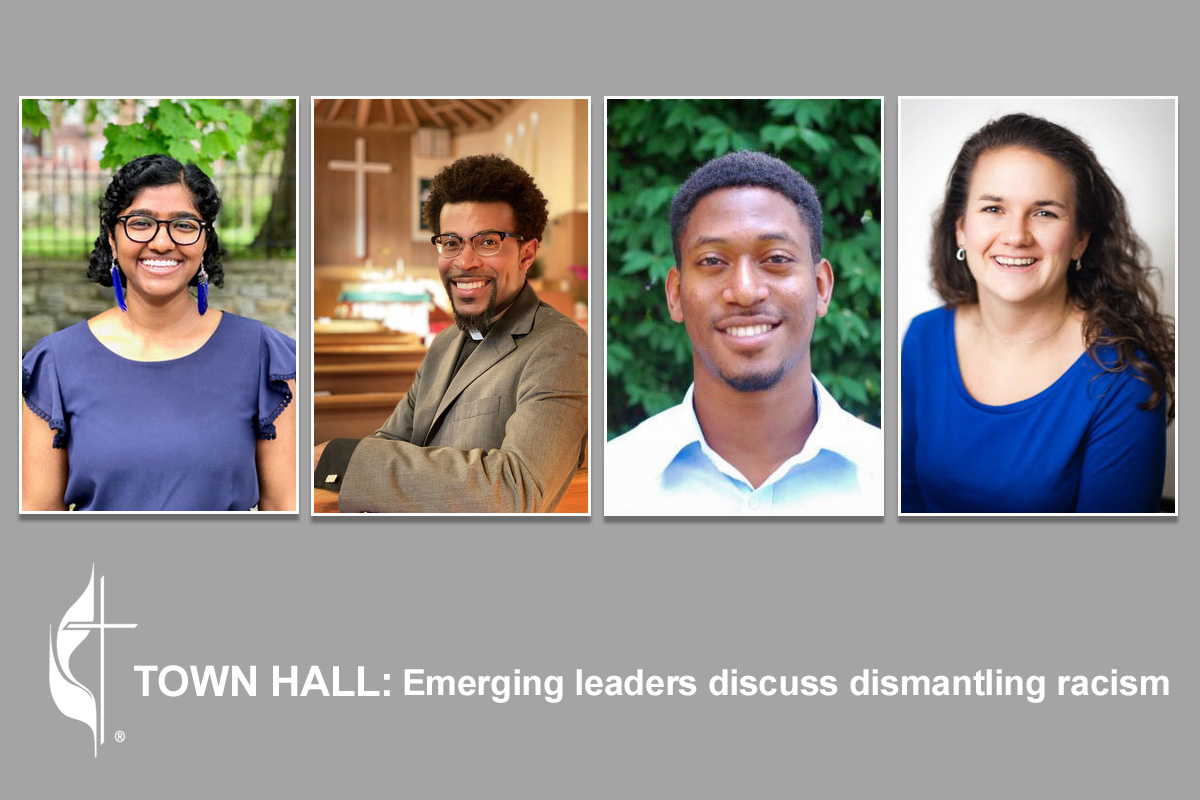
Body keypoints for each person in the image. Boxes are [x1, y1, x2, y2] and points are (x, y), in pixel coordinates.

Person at [901, 113, 1174, 513]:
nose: (1016, 236)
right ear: (961, 229)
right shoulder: (923, 337)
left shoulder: (1123, 378)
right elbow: (904, 497)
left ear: (1080, 240)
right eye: (993, 208)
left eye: (1045, 212)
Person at [605, 151, 882, 515]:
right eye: (712, 262)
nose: (746, 290)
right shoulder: (613, 483)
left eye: (777, 259)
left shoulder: (890, 476)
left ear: (821, 287)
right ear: (675, 295)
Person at [21, 154, 297, 512]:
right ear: (112, 237)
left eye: (183, 225)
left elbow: (286, 508)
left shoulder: (267, 358)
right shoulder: (54, 364)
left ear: (204, 240)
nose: (162, 242)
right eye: (141, 222)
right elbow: (37, 517)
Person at [312, 154, 587, 513]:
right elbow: (392, 440)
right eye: (451, 242)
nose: (464, 261)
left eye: (487, 242)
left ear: (527, 253)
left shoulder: (560, 347)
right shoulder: (444, 344)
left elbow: (515, 489)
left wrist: (340, 458)